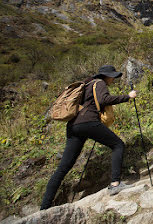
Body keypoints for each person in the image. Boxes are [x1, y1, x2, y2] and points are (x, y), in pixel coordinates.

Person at [40, 65, 137, 210]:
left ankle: (44, 207)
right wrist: (127, 97)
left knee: (63, 168)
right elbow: (104, 99)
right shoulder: (100, 83)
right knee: (118, 145)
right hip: (88, 122)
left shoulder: (87, 84)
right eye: (112, 76)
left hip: (74, 126)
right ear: (107, 75)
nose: (113, 79)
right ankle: (115, 184)